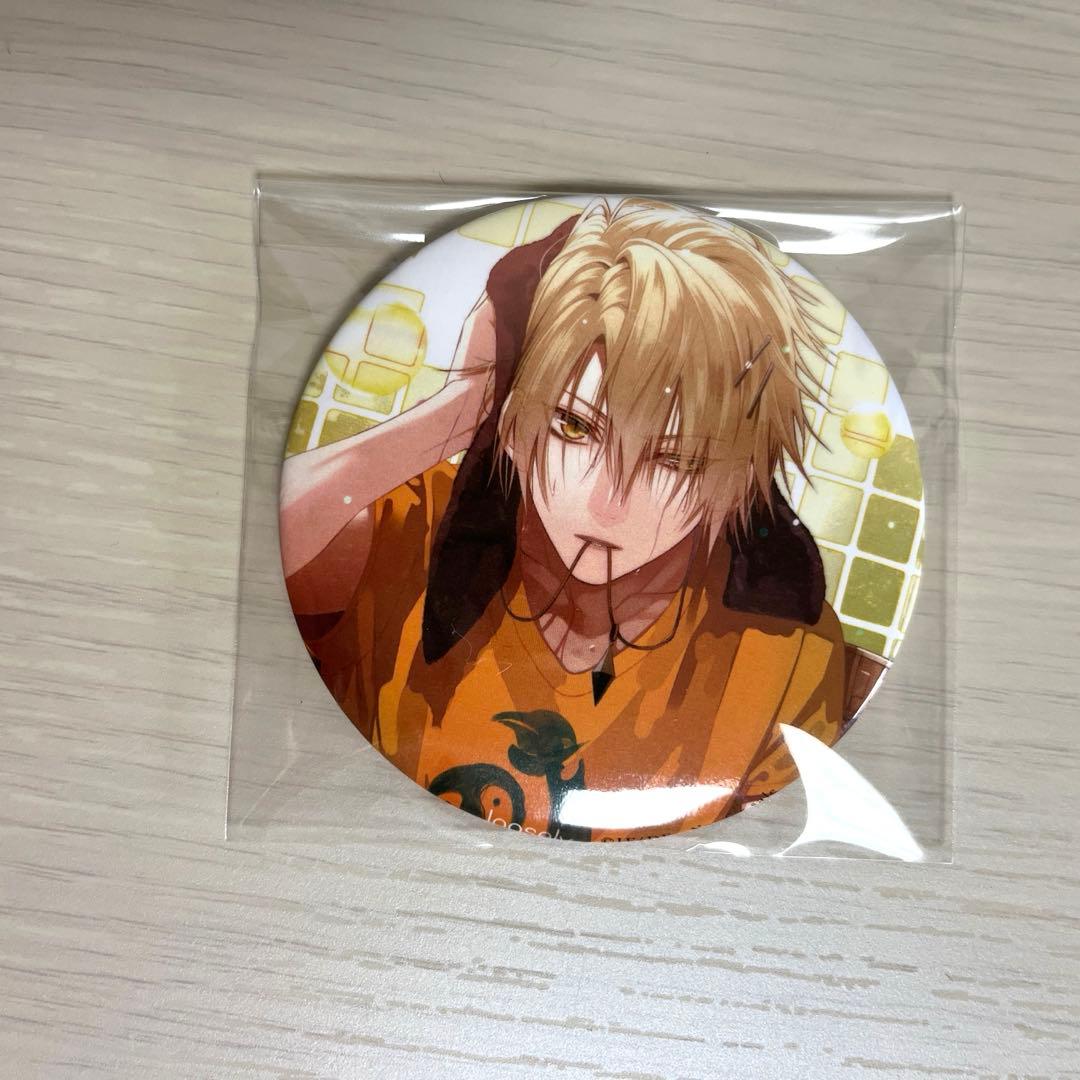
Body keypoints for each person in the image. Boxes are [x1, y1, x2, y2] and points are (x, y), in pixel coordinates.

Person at [280, 197, 846, 841]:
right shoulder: (414, 529)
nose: (607, 505)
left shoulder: (781, 656)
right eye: (574, 427)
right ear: (516, 421)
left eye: (676, 459)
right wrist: (463, 407)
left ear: (737, 478)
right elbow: (263, 548)